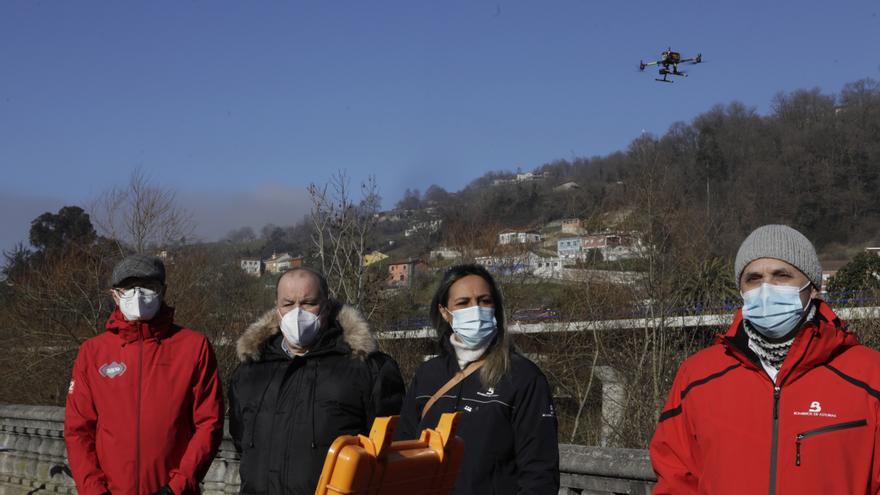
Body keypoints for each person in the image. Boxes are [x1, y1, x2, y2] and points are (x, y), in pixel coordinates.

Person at [650, 224, 880, 494]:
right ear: (741, 290)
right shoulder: (697, 376)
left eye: (782, 275)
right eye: (754, 278)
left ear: (813, 288)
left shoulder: (869, 375)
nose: (766, 288)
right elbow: (676, 478)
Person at [229, 267, 405, 494]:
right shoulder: (250, 371)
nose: (297, 312)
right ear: (276, 308)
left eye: (308, 303)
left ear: (327, 305)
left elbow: (391, 449)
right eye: (288, 304)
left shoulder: (368, 368)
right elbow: (241, 439)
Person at [64, 254, 224, 495]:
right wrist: (94, 491)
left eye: (148, 286)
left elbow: (209, 423)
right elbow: (78, 430)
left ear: (163, 291)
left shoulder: (194, 347)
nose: (138, 295)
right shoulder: (92, 352)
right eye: (129, 287)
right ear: (115, 295)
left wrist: (177, 487)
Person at [395, 264, 559, 494]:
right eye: (463, 303)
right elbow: (402, 452)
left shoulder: (523, 377)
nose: (476, 310)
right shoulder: (427, 375)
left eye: (484, 301)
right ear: (445, 312)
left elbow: (539, 473)